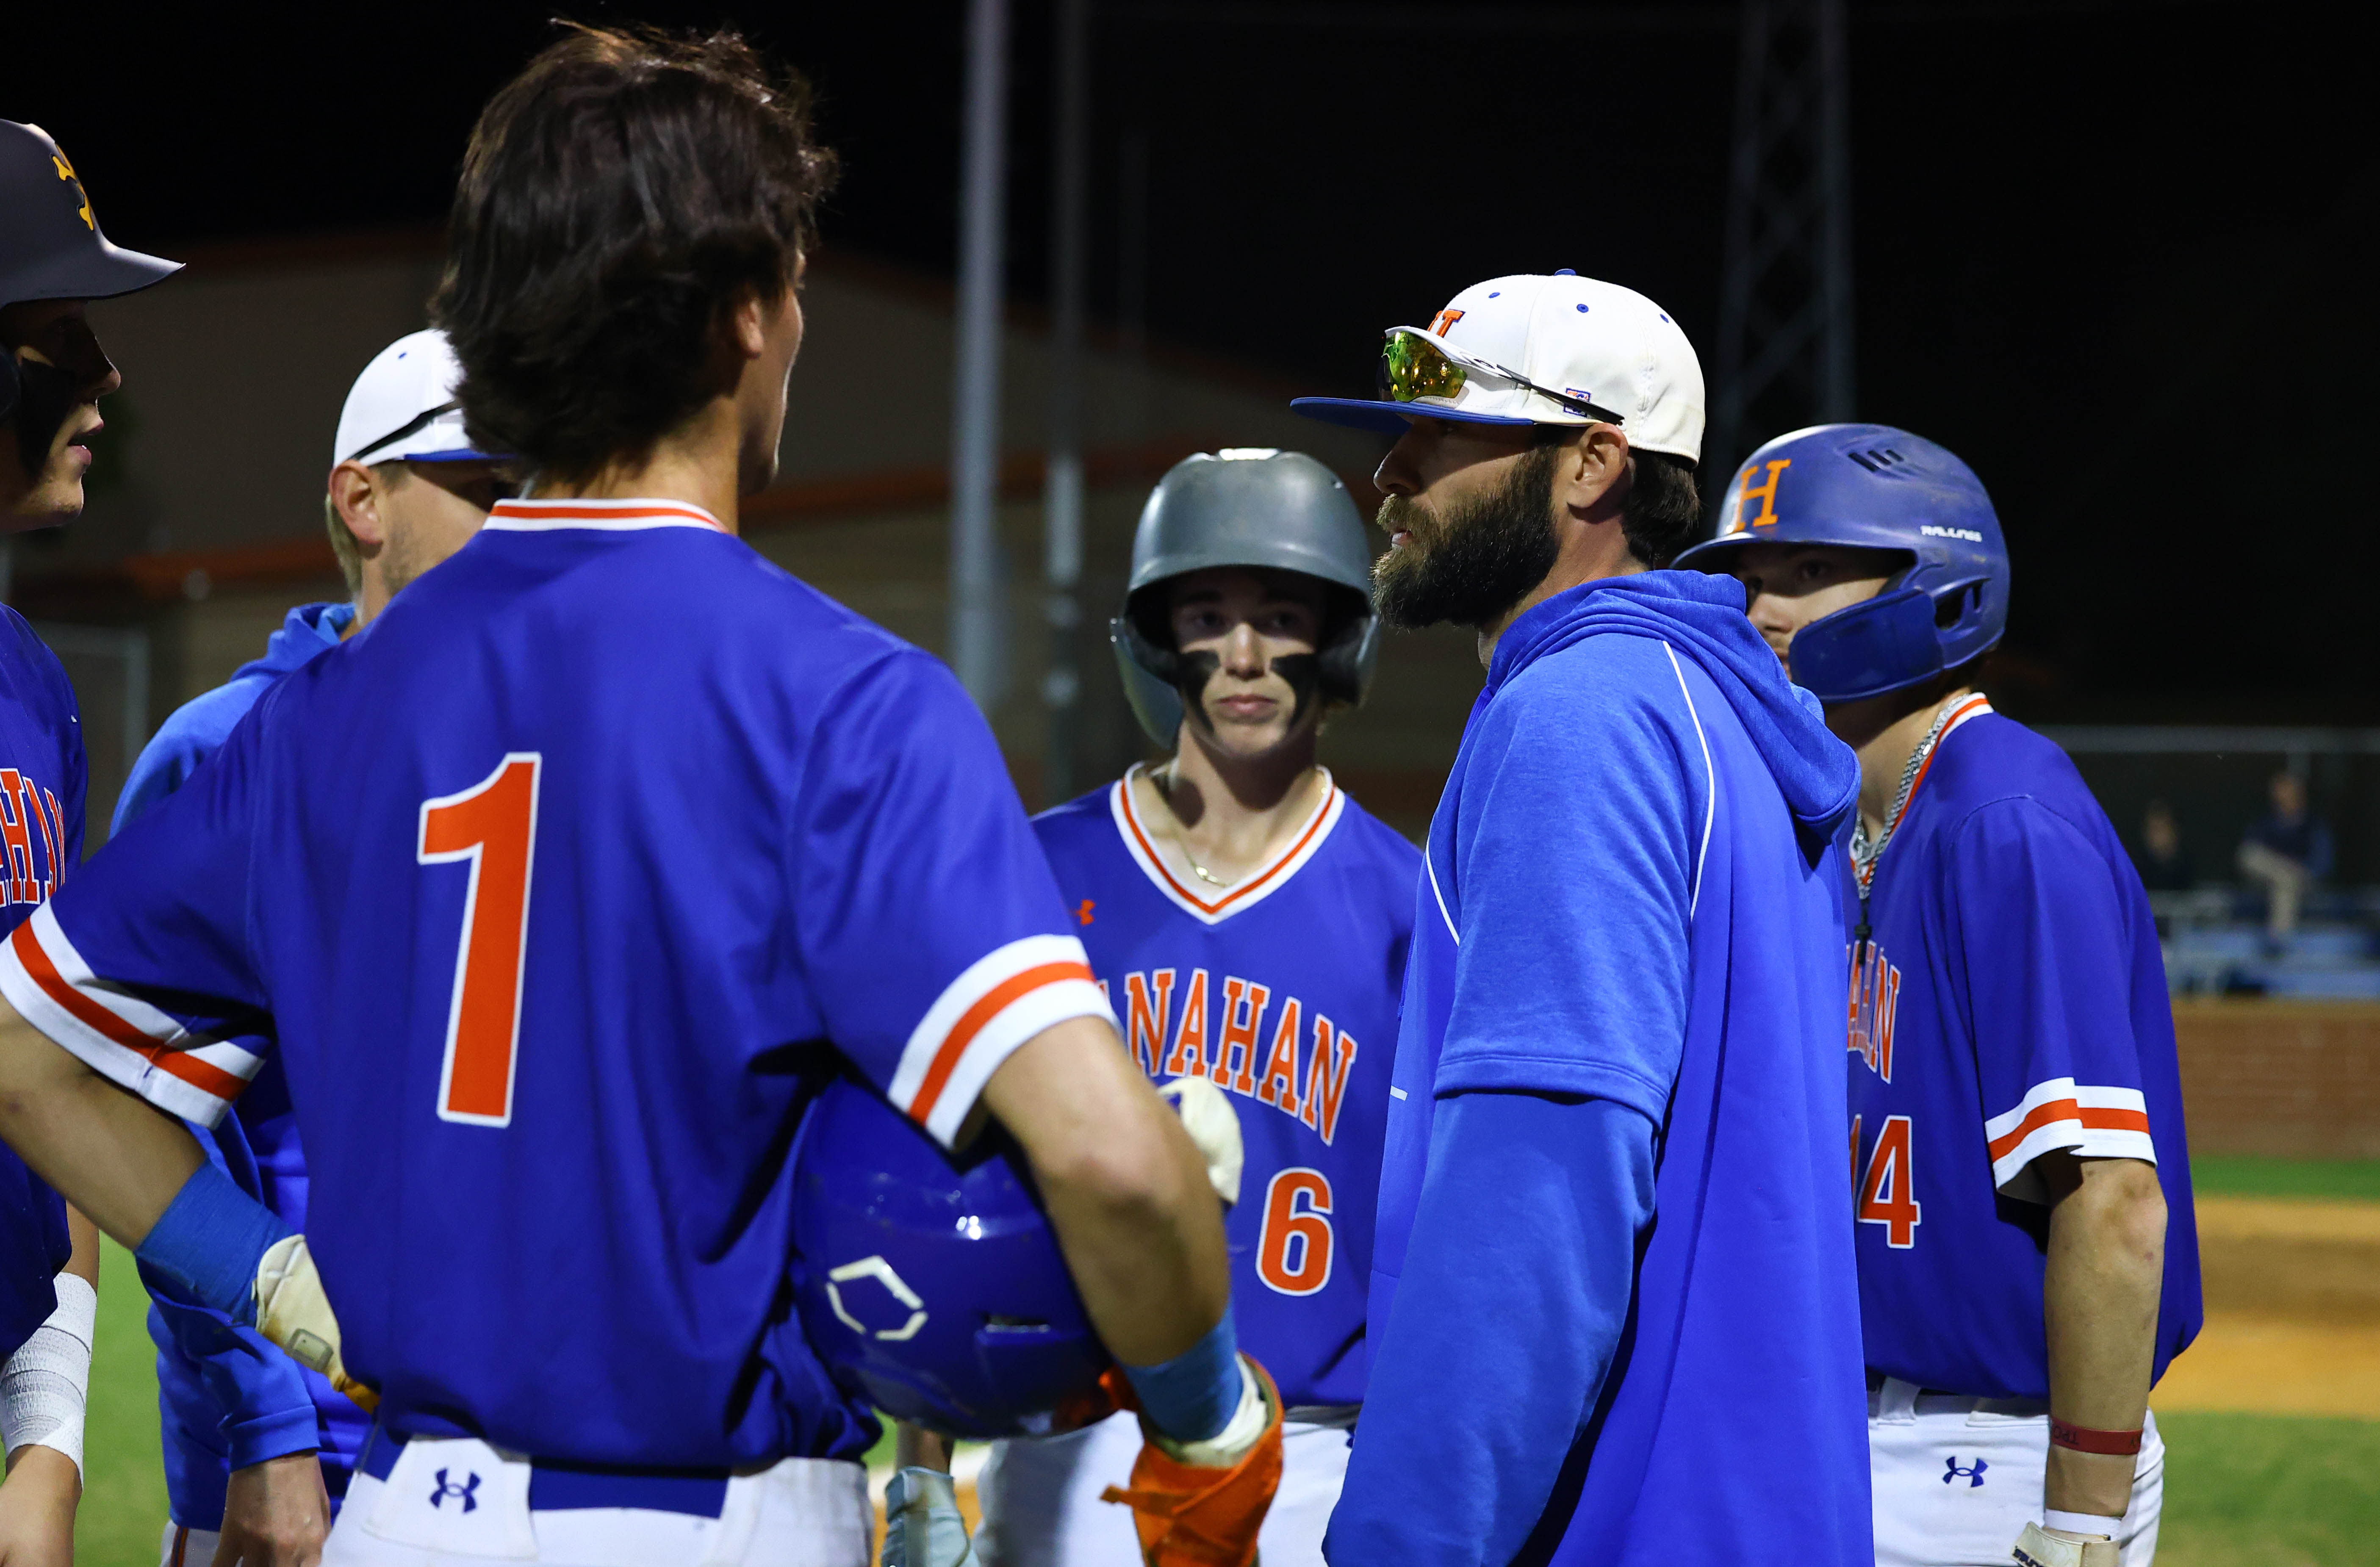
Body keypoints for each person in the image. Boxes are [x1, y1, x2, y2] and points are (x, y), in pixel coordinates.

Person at [0, 26, 1277, 1567]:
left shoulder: (320, 712)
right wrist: (1211, 1422)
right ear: (744, 315)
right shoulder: (844, 701)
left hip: (407, 1516)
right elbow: (1111, 1162)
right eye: (792, 286)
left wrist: (273, 1278)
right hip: (713, 1518)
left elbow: (25, 1053)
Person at [1287, 272, 1871, 1565]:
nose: (1389, 473)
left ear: (1590, 465)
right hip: (1749, 1507)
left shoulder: (1582, 716)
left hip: (1623, 1518)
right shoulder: (1714, 709)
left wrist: (1404, 1541)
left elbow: (1541, 1191)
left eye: (1443, 434)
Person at [1679, 422, 2200, 1567]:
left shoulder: (2002, 819)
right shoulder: (1833, 826)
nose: (1761, 609)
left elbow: (2113, 1200)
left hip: (1988, 1450)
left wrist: (2077, 1520)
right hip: (1844, 1422)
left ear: (1935, 587)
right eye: (1748, 576)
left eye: (1807, 569)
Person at [964, 450, 1418, 1567]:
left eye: (1280, 616)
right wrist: (925, 1456)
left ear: (1340, 637)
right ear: (1156, 640)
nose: (1245, 655)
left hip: (1307, 1460)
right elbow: (942, 1169)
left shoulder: (1412, 905)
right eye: (1207, 616)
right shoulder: (1034, 870)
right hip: (1070, 1445)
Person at [126, 329, 512, 1567]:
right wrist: (266, 1430)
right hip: (309, 1466)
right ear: (363, 500)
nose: (519, 523)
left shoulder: (545, 742)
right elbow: (148, 1113)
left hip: (521, 1443)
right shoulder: (228, 750)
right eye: (483, 488)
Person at [0, 114, 177, 1559]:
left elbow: (44, 1058)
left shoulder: (34, 681)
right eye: (63, 336)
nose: (106, 378)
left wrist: (49, 1426)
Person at [2237, 772, 2329, 941]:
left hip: (2301, 880)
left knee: (2287, 883)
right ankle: (2279, 937)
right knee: (2251, 856)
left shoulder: (2313, 824)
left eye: (2286, 792)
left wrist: (2301, 870)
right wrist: (2283, 868)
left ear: (2298, 794)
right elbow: (2251, 852)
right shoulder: (2266, 820)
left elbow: (2322, 863)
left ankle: (2279, 939)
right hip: (2268, 879)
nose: (2281, 797)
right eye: (2278, 793)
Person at [2133, 801, 2193, 895]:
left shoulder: (2187, 866)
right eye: (2153, 829)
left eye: (2162, 829)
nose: (2157, 836)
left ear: (2174, 831)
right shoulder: (2137, 869)